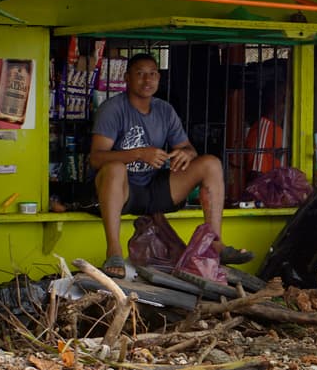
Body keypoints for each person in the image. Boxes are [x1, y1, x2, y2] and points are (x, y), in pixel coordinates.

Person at [89, 53, 249, 278]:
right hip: (122, 193)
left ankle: (215, 243)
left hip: (156, 188)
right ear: (126, 78)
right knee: (114, 168)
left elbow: (188, 148)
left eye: (153, 74)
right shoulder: (113, 109)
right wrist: (139, 154)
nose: (147, 80)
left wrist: (185, 154)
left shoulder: (164, 110)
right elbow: (96, 158)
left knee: (210, 163)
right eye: (140, 74)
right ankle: (114, 249)